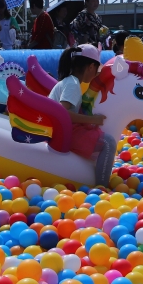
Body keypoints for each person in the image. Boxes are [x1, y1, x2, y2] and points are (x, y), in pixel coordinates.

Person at [48, 45, 115, 186]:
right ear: (90, 67)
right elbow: (62, 112)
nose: (96, 75)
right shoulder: (72, 84)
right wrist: (92, 119)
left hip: (61, 130)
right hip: (60, 133)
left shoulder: (69, 81)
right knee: (108, 143)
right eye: (96, 70)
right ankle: (102, 186)